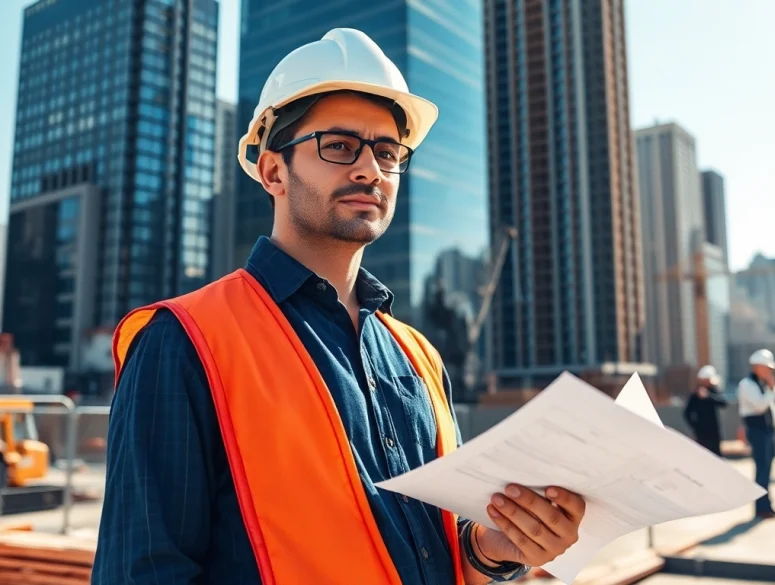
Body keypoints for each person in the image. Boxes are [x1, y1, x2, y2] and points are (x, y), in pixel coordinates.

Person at [93, 29, 586, 585]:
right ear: (273, 170)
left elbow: (437, 550)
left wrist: (493, 550)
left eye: (387, 152)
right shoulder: (185, 340)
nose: (370, 169)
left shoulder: (418, 355)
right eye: (339, 146)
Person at [737, 350, 775, 519]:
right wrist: (772, 390)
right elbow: (760, 406)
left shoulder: (761, 384)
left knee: (767, 470)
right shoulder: (747, 385)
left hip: (767, 431)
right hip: (757, 432)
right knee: (762, 470)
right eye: (767, 368)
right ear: (757, 367)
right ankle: (761, 508)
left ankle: (767, 505)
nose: (769, 372)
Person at [683, 365, 728, 456]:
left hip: (714, 431)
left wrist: (708, 396)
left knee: (717, 456)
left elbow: (723, 403)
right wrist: (695, 426)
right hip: (701, 432)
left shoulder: (713, 391)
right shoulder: (695, 395)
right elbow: (687, 413)